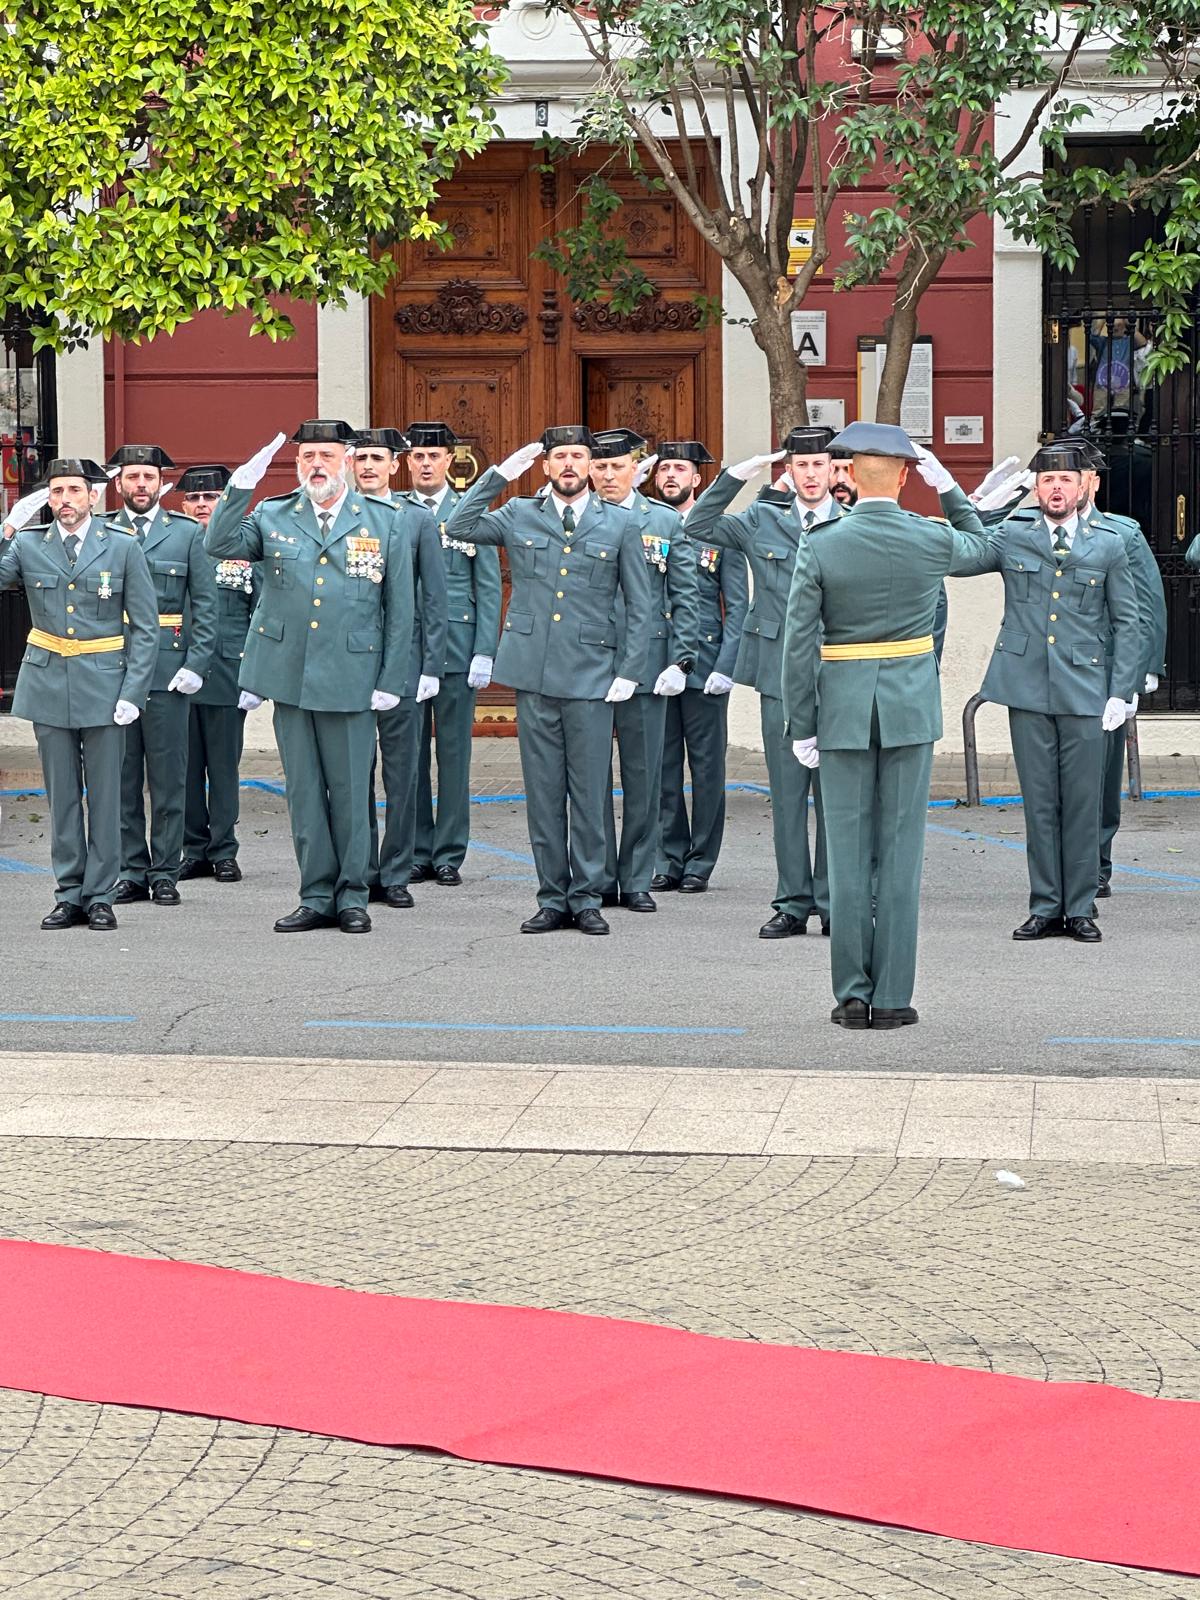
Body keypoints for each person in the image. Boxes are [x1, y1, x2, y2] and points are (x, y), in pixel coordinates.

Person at [782, 423, 991, 1027]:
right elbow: (988, 544)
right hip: (907, 707)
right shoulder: (930, 538)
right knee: (900, 856)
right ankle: (895, 997)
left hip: (842, 709)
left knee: (846, 857)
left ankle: (851, 993)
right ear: (904, 475)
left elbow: (799, 645)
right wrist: (949, 487)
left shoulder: (820, 544)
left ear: (847, 475)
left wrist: (802, 721)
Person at [204, 421, 415, 933]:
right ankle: (316, 894)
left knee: (348, 790)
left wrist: (391, 677)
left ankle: (353, 896)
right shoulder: (273, 513)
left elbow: (401, 607)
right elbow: (219, 542)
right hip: (290, 674)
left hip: (354, 672)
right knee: (303, 791)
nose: (315, 464)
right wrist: (239, 487)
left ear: (346, 459)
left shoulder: (385, 520)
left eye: (325, 454)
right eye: (306, 457)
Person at [443, 427, 654, 934]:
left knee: (587, 792)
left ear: (589, 464)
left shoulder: (620, 523)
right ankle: (551, 897)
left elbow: (641, 606)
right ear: (546, 466)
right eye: (559, 456)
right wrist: (497, 476)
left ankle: (586, 897)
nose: (568, 465)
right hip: (533, 671)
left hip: (591, 674)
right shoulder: (519, 513)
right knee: (543, 793)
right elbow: (459, 523)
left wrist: (630, 671)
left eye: (577, 456)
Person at [950, 444, 1139, 942]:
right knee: (1039, 802)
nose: (1056, 488)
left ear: (1084, 487)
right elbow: (960, 556)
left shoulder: (1109, 543)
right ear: (1036, 488)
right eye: (1047, 480)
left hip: (1086, 688)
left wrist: (1122, 689)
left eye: (1066, 480)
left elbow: (1128, 621)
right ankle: (1044, 906)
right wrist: (971, 503)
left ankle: (1079, 908)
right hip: (1027, 686)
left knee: (1081, 803)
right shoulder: (1013, 534)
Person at [685, 425, 841, 939]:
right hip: (779, 675)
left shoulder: (854, 524)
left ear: (835, 470)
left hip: (839, 675)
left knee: (838, 797)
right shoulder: (760, 521)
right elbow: (698, 525)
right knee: (789, 795)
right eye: (802, 466)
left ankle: (833, 899)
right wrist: (733, 476)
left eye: (820, 465)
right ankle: (793, 902)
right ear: (789, 472)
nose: (812, 474)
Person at [0, 458, 159, 929]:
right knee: (62, 796)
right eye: (56, 492)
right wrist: (9, 525)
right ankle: (69, 892)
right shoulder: (30, 546)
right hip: (48, 681)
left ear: (94, 496)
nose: (64, 499)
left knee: (107, 796)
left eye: (74, 490)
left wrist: (135, 690)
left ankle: (100, 896)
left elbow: (147, 628)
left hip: (106, 683)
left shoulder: (123, 547)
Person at [589, 428, 699, 912]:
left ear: (639, 469)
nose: (609, 474)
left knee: (644, 777)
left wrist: (681, 659)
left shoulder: (664, 521)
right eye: (601, 466)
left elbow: (685, 595)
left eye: (618, 466)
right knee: (588, 780)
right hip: (587, 661)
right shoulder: (576, 518)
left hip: (649, 665)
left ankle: (635, 876)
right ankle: (593, 877)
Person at [106, 444, 219, 907]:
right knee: (122, 775)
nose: (140, 486)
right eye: (132, 477)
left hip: (169, 670)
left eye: (148, 478)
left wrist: (197, 663)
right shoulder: (102, 530)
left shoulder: (186, 533)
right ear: (119, 484)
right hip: (112, 667)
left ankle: (165, 870)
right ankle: (132, 869)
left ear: (160, 484)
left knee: (170, 776)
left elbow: (206, 604)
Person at [399, 422, 502, 887]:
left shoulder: (467, 512)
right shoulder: (393, 511)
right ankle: (418, 850)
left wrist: (485, 650)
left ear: (448, 462)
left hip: (458, 649)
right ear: (407, 462)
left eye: (433, 456)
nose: (424, 463)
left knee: (455, 754)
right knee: (409, 754)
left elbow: (489, 585)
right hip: (405, 648)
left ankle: (449, 853)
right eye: (417, 456)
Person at [352, 428, 448, 910]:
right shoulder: (340, 515)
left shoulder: (415, 518)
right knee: (352, 772)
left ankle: (395, 871)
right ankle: (359, 868)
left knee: (403, 771)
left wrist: (432, 663)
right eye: (361, 457)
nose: (368, 466)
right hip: (350, 663)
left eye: (378, 459)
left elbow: (435, 596)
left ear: (396, 466)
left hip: (405, 663)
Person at [651, 441, 749, 893]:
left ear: (697, 479)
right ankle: (668, 857)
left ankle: (700, 861)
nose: (670, 475)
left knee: (707, 769)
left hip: (707, 667)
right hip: (657, 665)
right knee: (661, 765)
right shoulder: (647, 525)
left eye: (680, 469)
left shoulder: (718, 532)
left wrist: (726, 666)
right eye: (664, 468)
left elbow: (739, 605)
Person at [177, 464, 259, 883]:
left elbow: (264, 611)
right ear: (183, 504)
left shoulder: (243, 542)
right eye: (194, 498)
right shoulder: (171, 541)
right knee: (184, 767)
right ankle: (193, 849)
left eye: (210, 498)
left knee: (223, 767)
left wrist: (257, 678)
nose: (202, 505)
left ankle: (224, 849)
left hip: (229, 673)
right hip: (176, 672)